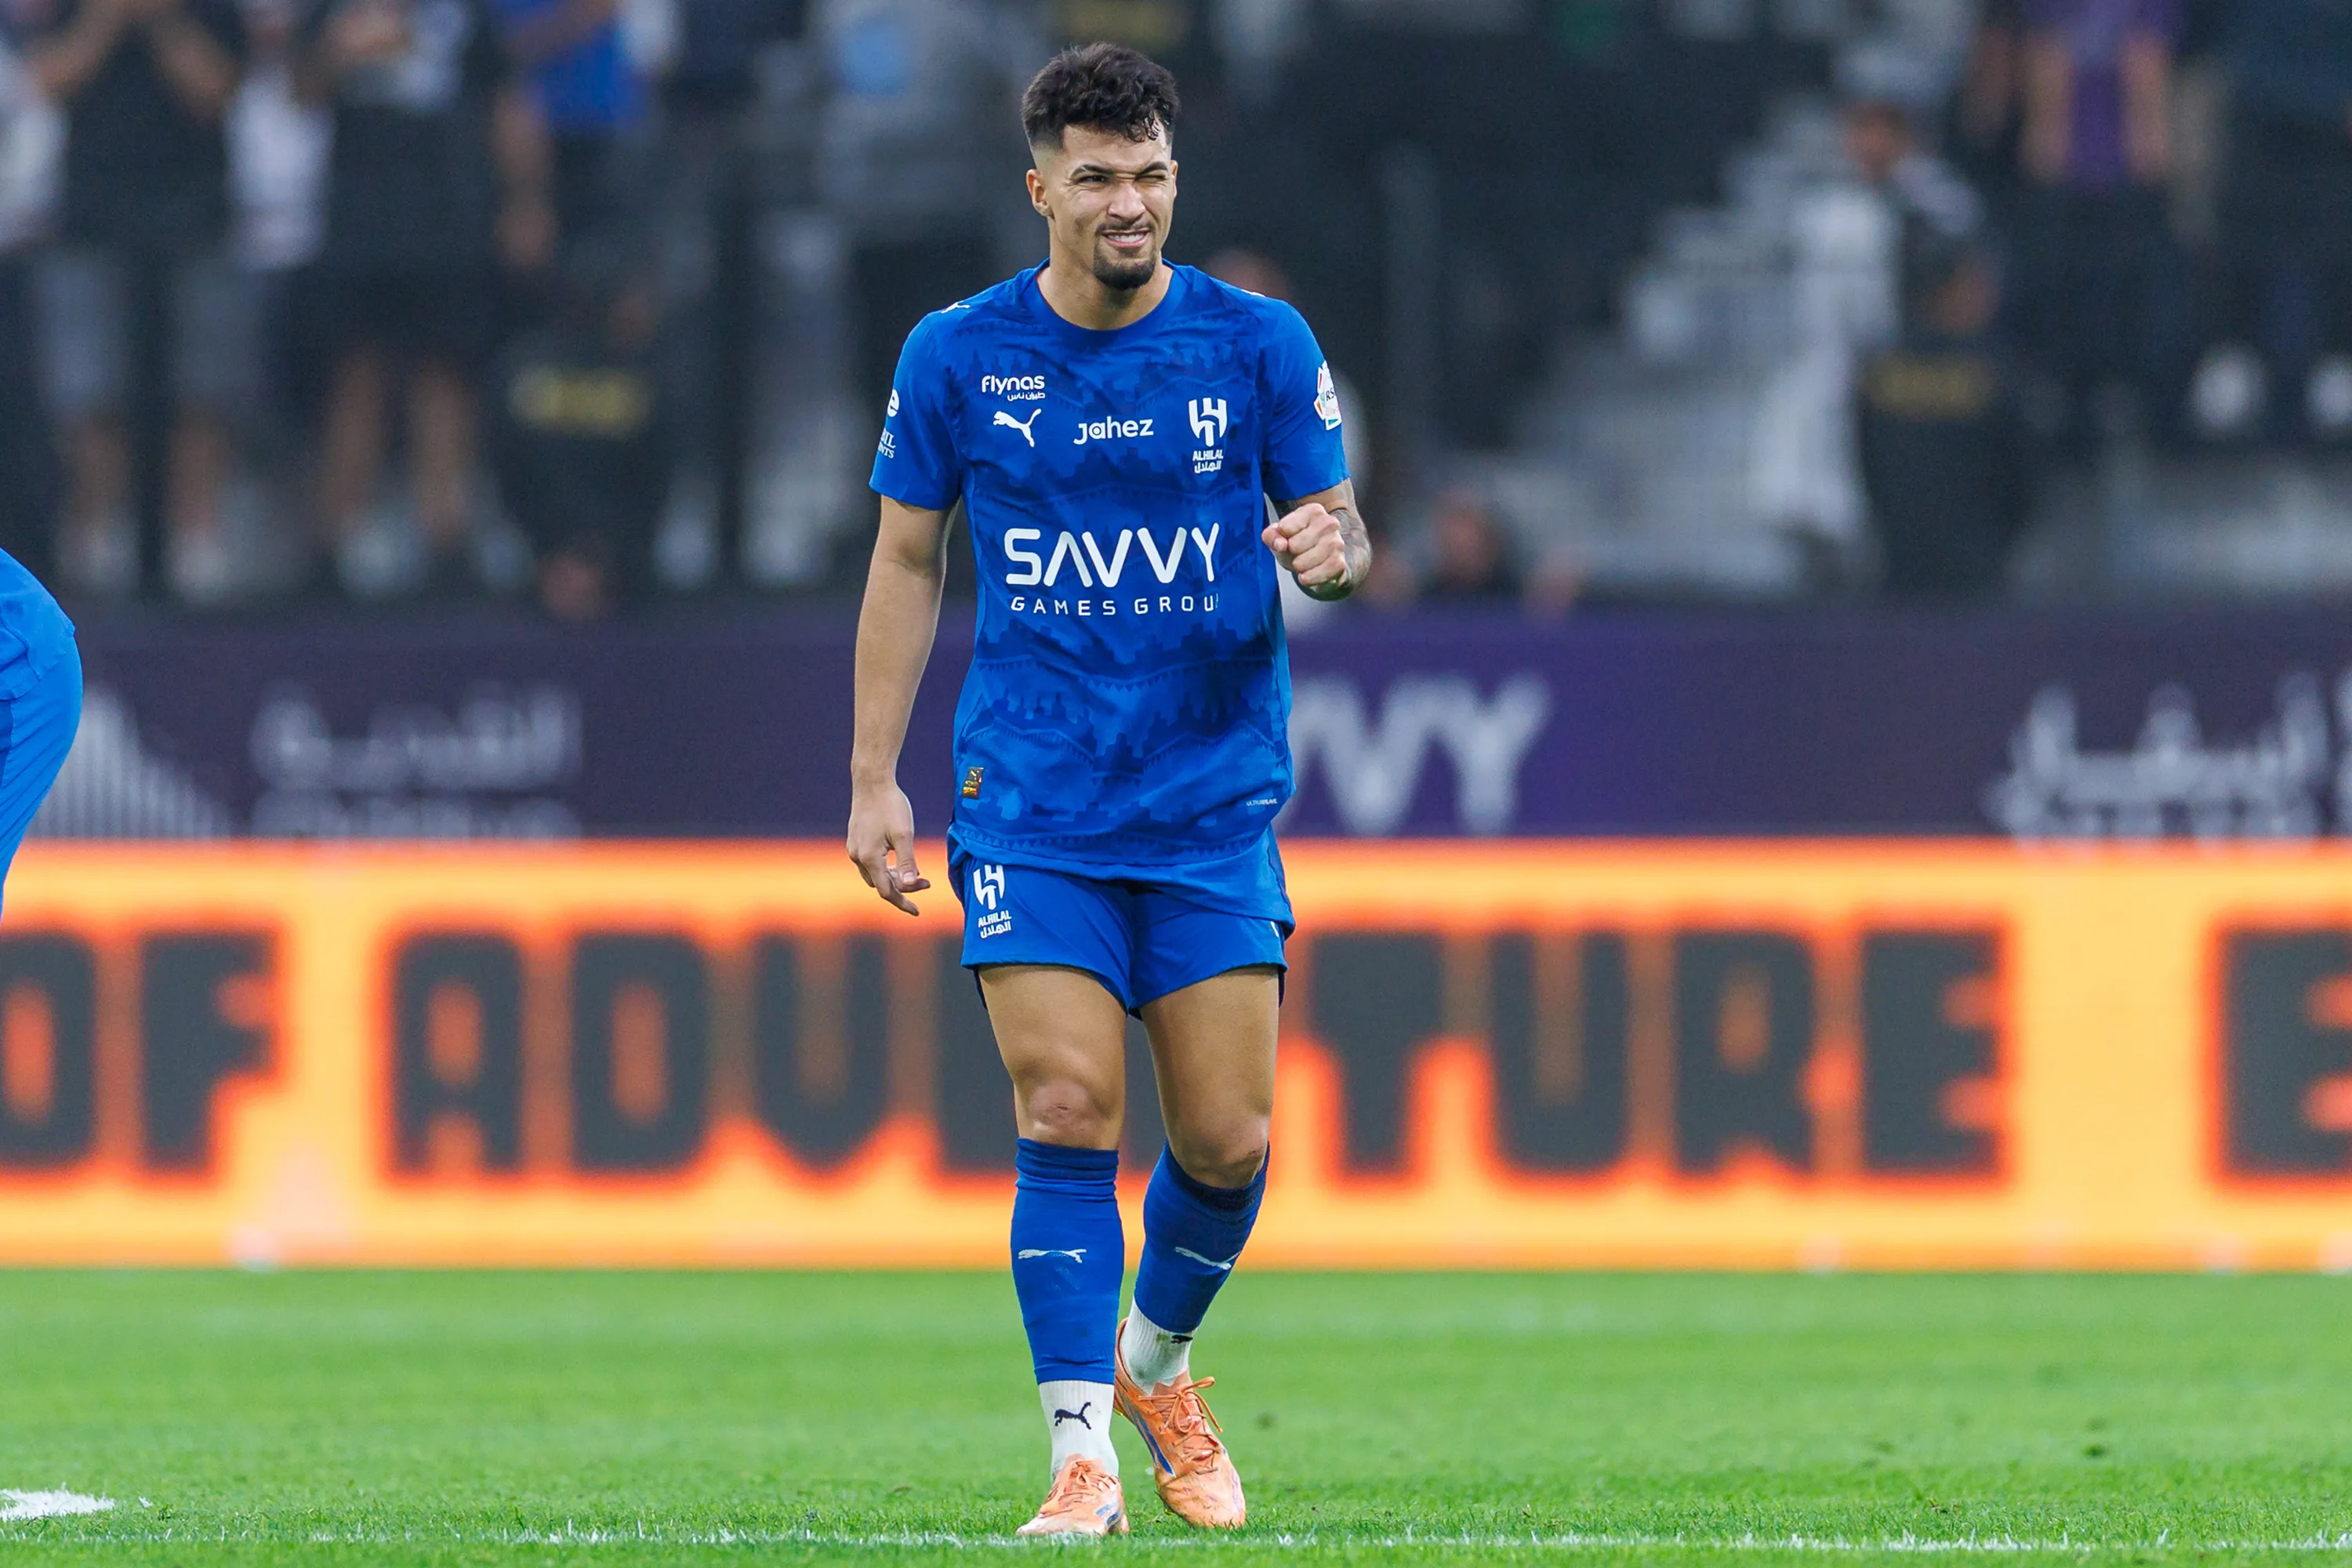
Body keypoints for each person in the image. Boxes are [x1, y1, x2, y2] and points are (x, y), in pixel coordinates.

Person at [846, 42, 1367, 1537]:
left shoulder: (1260, 345)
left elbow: (1338, 528)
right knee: (1067, 1106)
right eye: (1095, 177)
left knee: (1228, 1144)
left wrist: (1340, 554)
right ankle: (1080, 1457)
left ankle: (1158, 1366)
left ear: (1174, 181)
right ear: (1040, 191)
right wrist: (874, 777)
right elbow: (903, 558)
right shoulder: (959, 354)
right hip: (1036, 803)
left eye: (1147, 175)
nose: (1126, 202)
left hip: (1209, 806)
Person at [296, 0, 554, 597]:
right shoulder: (337, 11)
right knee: (354, 382)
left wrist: (526, 200)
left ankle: (444, 539)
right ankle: (333, 543)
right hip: (357, 227)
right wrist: (338, 53)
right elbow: (296, 94)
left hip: (451, 223)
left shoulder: (466, 15)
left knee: (446, 382)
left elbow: (509, 104)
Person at [27, 0, 246, 601]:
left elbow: (217, 91)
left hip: (195, 215)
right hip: (91, 217)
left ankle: (197, 539)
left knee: (203, 389)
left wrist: (162, 18)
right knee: (90, 389)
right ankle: (99, 535)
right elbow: (49, 79)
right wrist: (109, 16)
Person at [2013, 0, 2185, 445]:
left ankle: (2131, 402)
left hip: (2123, 171)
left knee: (2126, 295)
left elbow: (2148, 67)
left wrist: (2150, 148)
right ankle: (2078, 404)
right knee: (2071, 296)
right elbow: (2044, 68)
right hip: (2070, 171)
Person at [1857, 241, 2035, 597]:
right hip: (1976, 567)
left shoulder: (1881, 371)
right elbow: (2023, 471)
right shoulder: (1993, 372)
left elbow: (1866, 464)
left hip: (1900, 564)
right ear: (1947, 292)